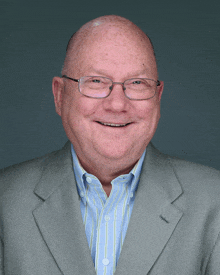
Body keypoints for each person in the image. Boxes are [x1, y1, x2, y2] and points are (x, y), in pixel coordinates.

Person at [0, 15, 220, 275]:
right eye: (95, 81)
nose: (117, 104)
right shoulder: (5, 200)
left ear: (158, 98)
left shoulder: (214, 201)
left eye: (137, 83)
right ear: (59, 95)